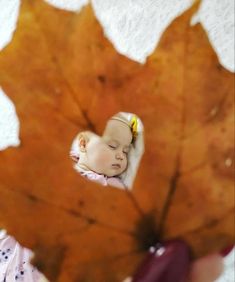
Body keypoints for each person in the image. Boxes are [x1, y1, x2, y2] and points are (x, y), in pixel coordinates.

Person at [70, 113, 140, 189]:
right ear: (83, 144)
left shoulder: (113, 185)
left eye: (125, 152)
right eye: (112, 146)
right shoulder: (67, 160)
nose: (121, 156)